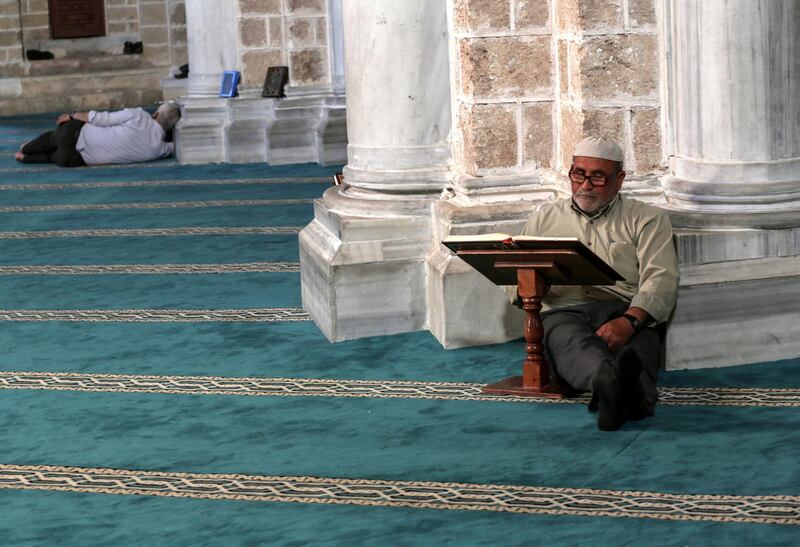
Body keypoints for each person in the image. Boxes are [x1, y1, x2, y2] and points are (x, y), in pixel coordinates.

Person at [508, 136, 679, 431]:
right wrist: (534, 286)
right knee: (572, 343)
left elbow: (660, 279)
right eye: (578, 174)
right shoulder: (545, 218)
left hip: (625, 310)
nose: (585, 185)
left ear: (619, 179)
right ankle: (614, 387)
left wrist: (629, 322)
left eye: (598, 177)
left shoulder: (648, 220)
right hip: (565, 309)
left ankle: (613, 394)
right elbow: (515, 278)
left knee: (637, 351)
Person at [14, 102, 180, 167]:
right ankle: (25, 158)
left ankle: (26, 148)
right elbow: (175, 146)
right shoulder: (160, 150)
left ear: (156, 114)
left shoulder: (139, 115)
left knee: (53, 137)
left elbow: (101, 119)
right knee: (52, 157)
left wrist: (72, 116)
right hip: (73, 159)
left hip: (74, 134)